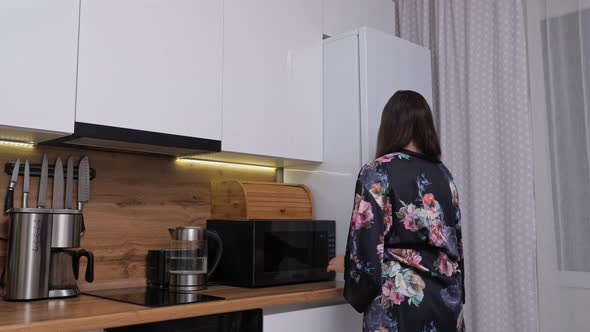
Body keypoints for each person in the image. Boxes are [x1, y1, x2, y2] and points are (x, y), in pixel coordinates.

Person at [327, 90, 464, 332]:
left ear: (389, 125)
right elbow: (455, 244)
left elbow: (366, 250)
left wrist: (347, 265)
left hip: (400, 305)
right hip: (445, 300)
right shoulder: (444, 175)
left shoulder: (377, 171)